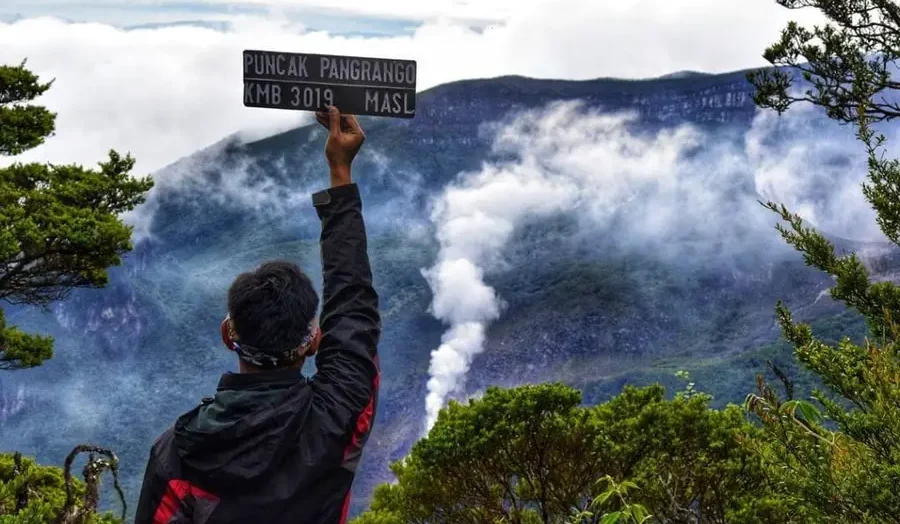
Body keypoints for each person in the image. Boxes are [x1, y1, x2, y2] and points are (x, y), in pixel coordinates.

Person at [135, 106, 381, 524]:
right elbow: (353, 303)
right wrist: (340, 172)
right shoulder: (339, 413)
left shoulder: (177, 451)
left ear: (228, 335)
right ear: (314, 341)